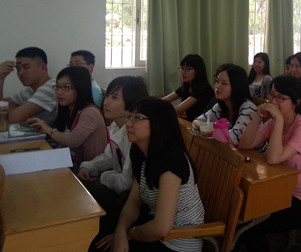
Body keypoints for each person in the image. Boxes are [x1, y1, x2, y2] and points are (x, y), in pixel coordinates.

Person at [95, 97, 204, 252]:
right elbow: (134, 201)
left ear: (159, 124)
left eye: (138, 118)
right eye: (130, 117)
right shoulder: (140, 151)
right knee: (99, 227)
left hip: (176, 242)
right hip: (150, 227)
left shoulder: (171, 161)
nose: (129, 124)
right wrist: (120, 232)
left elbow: (161, 228)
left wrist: (129, 234)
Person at [236, 76, 301, 252]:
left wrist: (277, 119)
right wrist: (258, 116)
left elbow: (273, 158)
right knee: (244, 215)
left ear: (296, 103)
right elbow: (245, 144)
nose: (273, 101)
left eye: (281, 98)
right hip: (282, 190)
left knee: (249, 227)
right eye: (272, 95)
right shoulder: (273, 123)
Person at [78, 76, 149, 240]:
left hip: (133, 204)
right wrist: (88, 166)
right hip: (121, 194)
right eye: (108, 95)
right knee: (79, 183)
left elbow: (126, 182)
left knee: (85, 198)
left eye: (114, 97)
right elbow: (108, 157)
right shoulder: (116, 128)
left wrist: (102, 177)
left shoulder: (134, 136)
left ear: (132, 104)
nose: (106, 102)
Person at [29, 66, 107, 168]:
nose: (59, 92)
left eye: (66, 87)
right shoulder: (67, 109)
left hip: (87, 172)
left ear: (80, 89)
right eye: (57, 87)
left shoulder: (90, 112)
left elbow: (73, 140)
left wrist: (48, 130)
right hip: (70, 165)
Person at [192, 64, 258, 147]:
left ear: (236, 86)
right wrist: (210, 127)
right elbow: (196, 121)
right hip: (229, 151)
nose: (217, 86)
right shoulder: (221, 105)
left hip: (254, 154)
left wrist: (209, 128)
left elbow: (231, 139)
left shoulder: (248, 109)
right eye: (217, 81)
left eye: (224, 83)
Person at [0, 46, 57, 123]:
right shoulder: (29, 91)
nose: (21, 73)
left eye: (26, 67)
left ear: (43, 67)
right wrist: (1, 78)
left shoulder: (51, 87)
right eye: (18, 68)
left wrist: (3, 112)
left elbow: (10, 119)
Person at [161, 54, 214, 122]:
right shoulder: (186, 86)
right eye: (182, 68)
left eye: (188, 69)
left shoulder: (203, 88)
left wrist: (158, 108)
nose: (183, 72)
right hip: (193, 123)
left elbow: (178, 109)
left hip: (205, 125)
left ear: (198, 71)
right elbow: (163, 101)